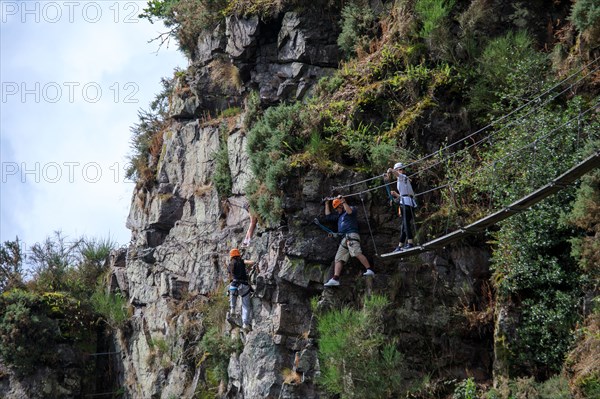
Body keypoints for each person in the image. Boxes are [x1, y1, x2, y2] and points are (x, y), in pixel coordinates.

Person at [323, 196, 375, 287]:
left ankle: (369, 269)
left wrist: (343, 202)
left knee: (356, 253)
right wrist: (327, 203)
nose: (336, 210)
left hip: (351, 235)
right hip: (344, 238)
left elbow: (350, 211)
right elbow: (328, 216)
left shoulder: (350, 210)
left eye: (337, 208)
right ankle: (335, 278)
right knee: (338, 258)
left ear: (341, 206)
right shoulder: (339, 216)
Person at [387, 162, 417, 252]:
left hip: (406, 203)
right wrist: (397, 195)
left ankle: (410, 243)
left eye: (401, 169)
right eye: (399, 169)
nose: (401, 171)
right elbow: (405, 194)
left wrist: (391, 170)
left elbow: (398, 175)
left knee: (406, 224)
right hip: (406, 202)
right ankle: (400, 246)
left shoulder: (403, 177)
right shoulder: (402, 180)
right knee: (404, 225)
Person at [228, 248, 255, 331]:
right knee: (246, 306)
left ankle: (232, 308)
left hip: (234, 285)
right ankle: (245, 324)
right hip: (243, 285)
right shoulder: (242, 261)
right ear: (238, 255)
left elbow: (230, 277)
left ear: (231, 256)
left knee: (232, 291)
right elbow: (252, 262)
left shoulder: (230, 265)